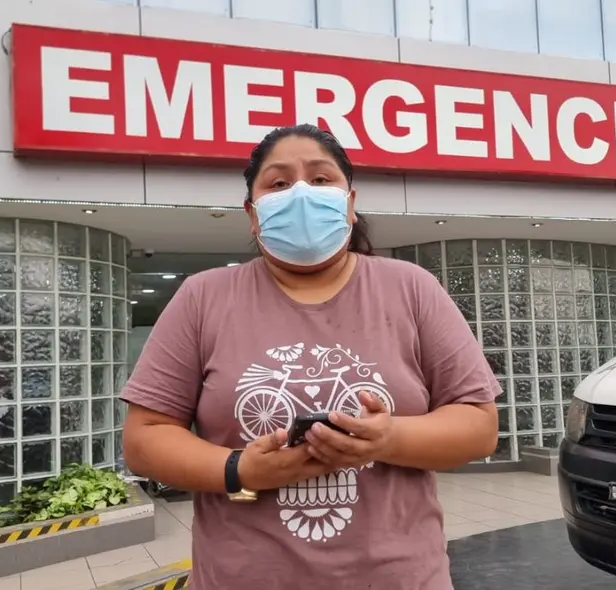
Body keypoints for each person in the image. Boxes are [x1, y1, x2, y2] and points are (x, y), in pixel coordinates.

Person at [120, 124, 500, 589]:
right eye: (278, 183)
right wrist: (241, 469)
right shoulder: (204, 296)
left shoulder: (411, 288)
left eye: (321, 180)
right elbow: (145, 438)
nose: (301, 193)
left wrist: (388, 437)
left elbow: (479, 426)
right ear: (253, 213)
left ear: (350, 203)